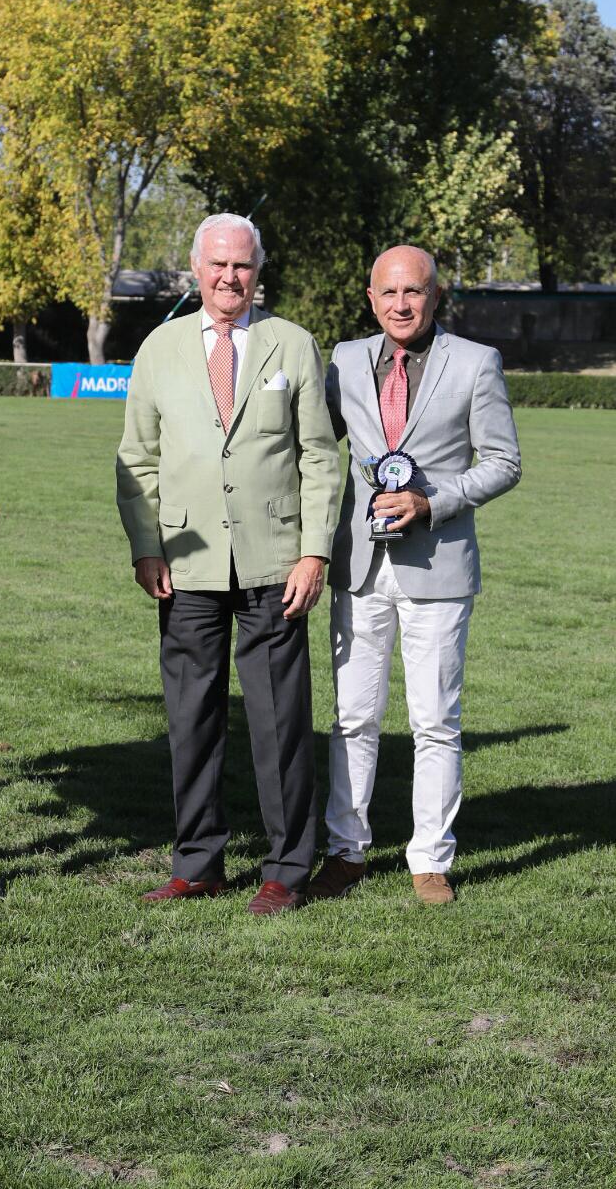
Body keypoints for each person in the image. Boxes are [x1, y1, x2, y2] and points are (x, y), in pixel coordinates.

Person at [116, 215, 340, 914]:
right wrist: (146, 546)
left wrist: (314, 550)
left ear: (257, 269)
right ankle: (198, 863)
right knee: (190, 720)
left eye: (241, 266)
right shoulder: (159, 348)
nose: (228, 278)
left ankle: (286, 868)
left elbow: (319, 458)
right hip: (184, 565)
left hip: (275, 564)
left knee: (279, 723)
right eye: (216, 265)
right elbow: (136, 461)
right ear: (193, 266)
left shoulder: (292, 345)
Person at [310, 245, 521, 906]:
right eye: (387, 293)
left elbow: (502, 461)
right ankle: (344, 852)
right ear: (370, 299)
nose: (400, 304)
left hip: (438, 564)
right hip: (358, 565)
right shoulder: (343, 360)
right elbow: (315, 446)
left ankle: (429, 859)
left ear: (436, 297)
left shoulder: (475, 363)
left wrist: (432, 502)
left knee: (434, 722)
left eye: (414, 292)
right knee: (351, 719)